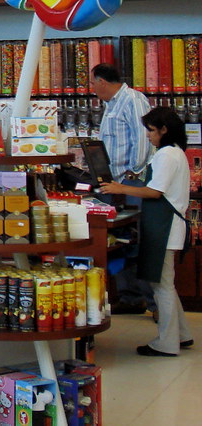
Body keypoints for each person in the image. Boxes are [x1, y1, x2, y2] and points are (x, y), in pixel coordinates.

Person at [100, 106, 194, 356]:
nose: (148, 136)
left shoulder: (166, 155)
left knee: (162, 286)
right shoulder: (176, 153)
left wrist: (120, 189)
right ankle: (181, 334)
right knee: (166, 284)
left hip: (165, 228)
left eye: (151, 131)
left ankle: (167, 342)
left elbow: (154, 192)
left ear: (164, 130)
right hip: (168, 226)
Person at [89, 62, 155, 314]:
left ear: (103, 82)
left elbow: (142, 140)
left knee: (136, 241)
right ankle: (130, 298)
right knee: (119, 240)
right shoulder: (111, 105)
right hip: (113, 183)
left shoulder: (132, 100)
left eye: (93, 84)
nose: (93, 89)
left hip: (129, 183)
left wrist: (131, 174)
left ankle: (153, 302)